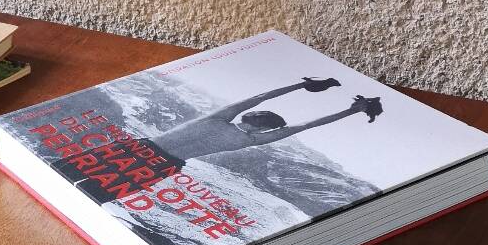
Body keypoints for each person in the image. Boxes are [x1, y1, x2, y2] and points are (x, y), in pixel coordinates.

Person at [162, 76, 384, 159]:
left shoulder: (217, 119)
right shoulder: (251, 139)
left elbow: (260, 97)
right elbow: (308, 124)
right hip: (164, 166)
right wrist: (353, 110)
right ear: (264, 130)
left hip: (146, 148)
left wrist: (303, 85)